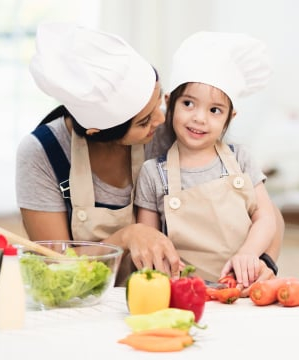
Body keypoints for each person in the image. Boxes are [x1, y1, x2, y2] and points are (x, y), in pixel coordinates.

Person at [16, 23, 283, 287]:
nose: (160, 119)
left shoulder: (181, 131)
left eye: (158, 102)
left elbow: (265, 215)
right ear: (98, 131)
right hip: (87, 299)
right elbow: (56, 267)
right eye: (144, 121)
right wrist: (126, 236)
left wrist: (262, 263)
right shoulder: (43, 155)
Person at [134, 31, 277, 289]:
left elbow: (266, 215)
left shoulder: (240, 159)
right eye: (189, 103)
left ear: (230, 117)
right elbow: (150, 239)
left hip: (243, 287)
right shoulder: (153, 173)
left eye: (214, 110)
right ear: (170, 104)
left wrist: (249, 253)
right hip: (184, 292)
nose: (200, 118)